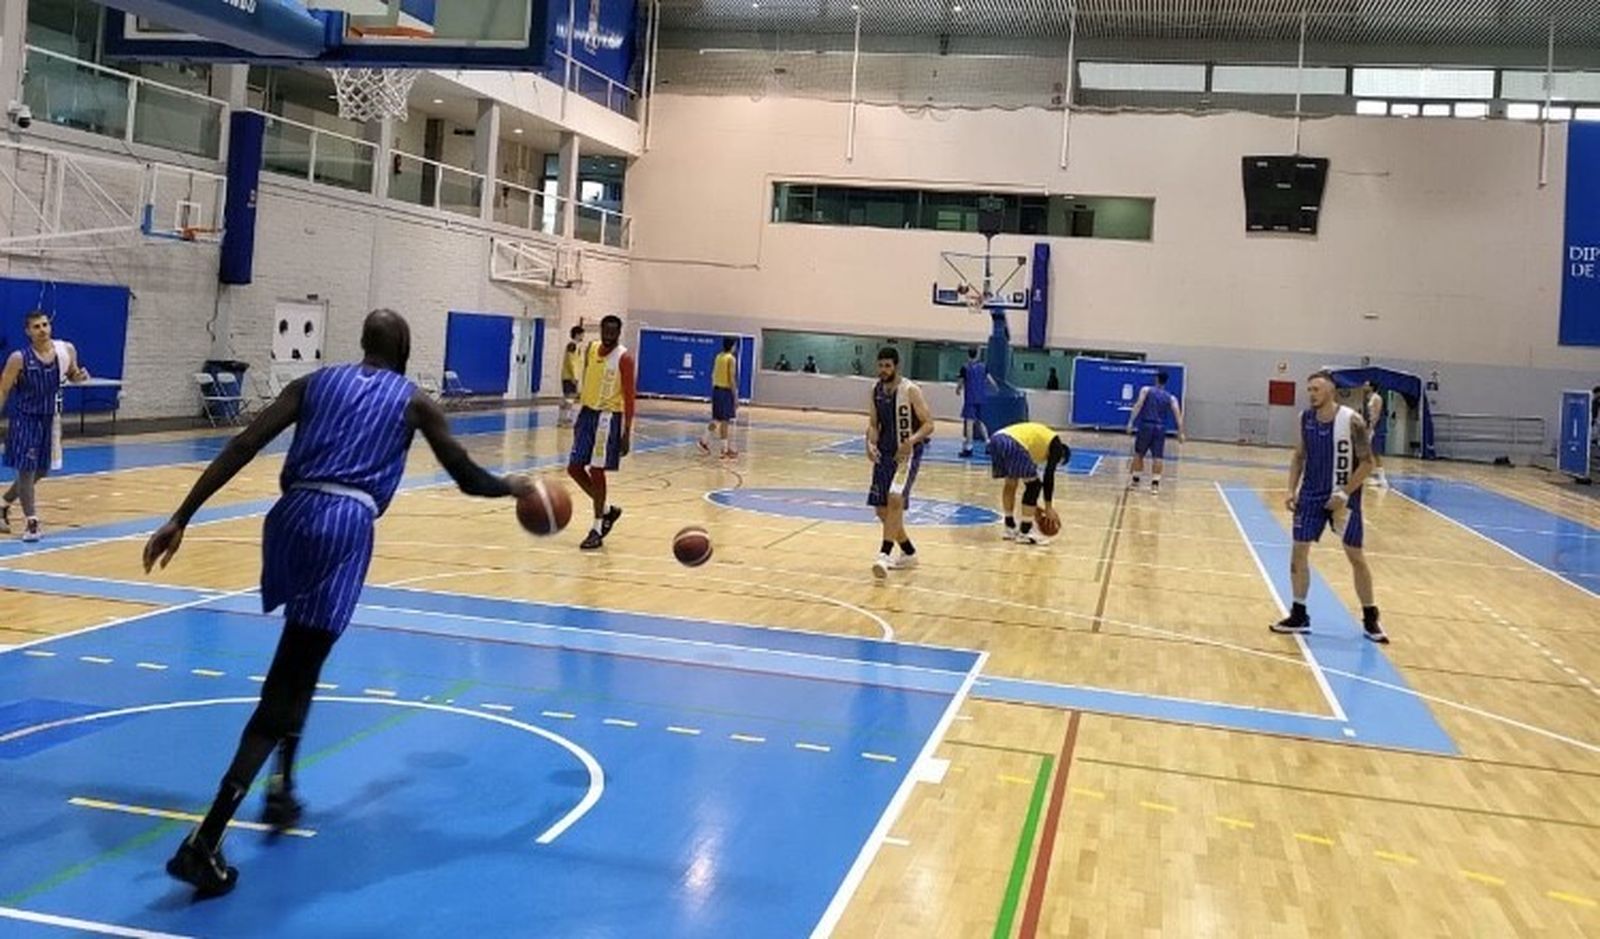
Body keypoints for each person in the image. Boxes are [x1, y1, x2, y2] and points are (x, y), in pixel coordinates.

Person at [143, 309, 533, 898]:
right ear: (405, 349)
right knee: (288, 681)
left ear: (362, 343)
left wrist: (182, 516)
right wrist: (514, 487)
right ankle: (207, 839)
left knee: (303, 659)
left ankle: (282, 786)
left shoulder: (314, 383)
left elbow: (246, 442)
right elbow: (466, 477)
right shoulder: (414, 400)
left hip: (290, 517)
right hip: (343, 524)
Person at [1272, 369, 1388, 644]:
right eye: (1309, 390)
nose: (1312, 394)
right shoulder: (1305, 419)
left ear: (1331, 391)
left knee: (1355, 555)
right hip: (1311, 495)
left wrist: (1345, 493)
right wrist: (1290, 490)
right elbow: (1299, 456)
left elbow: (1367, 463)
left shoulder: (1352, 420)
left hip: (1343, 497)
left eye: (1317, 389)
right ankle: (1299, 613)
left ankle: (1370, 617)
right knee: (1298, 552)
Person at [0, 310, 89, 542]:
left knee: (42, 470)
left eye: (45, 325)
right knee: (26, 470)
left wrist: (80, 376)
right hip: (25, 419)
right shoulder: (19, 358)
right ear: (28, 331)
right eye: (36, 327)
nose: (42, 330)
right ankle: (32, 523)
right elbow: (3, 389)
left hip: (49, 418)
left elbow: (72, 375)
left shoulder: (65, 352)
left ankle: (3, 503)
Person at [567, 314, 636, 550]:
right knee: (574, 468)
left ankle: (597, 528)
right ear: (601, 331)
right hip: (587, 413)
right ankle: (607, 510)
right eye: (605, 331)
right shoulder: (591, 349)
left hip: (608, 417)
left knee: (597, 470)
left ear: (618, 333)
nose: (608, 335)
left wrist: (627, 432)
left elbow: (630, 398)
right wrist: (579, 414)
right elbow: (588, 381)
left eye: (613, 332)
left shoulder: (624, 358)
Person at [865, 346, 933, 579]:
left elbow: (929, 424)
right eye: (880, 365)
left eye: (887, 366)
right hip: (884, 452)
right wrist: (869, 444)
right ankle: (908, 552)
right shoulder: (875, 390)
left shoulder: (910, 390)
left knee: (895, 498)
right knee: (882, 510)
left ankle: (883, 555)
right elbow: (873, 424)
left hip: (906, 454)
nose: (883, 370)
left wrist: (910, 441)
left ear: (896, 366)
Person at [989, 421, 1070, 545]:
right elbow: (1048, 476)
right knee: (1034, 486)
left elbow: (1025, 477)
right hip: (1013, 442)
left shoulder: (1037, 447)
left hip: (996, 440)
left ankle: (1009, 527)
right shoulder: (1056, 445)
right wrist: (1048, 507)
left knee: (1011, 482)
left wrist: (1034, 508)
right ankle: (1025, 532)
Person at [1126, 371, 1185, 493]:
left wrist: (1131, 422)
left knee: (1139, 454)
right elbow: (1178, 415)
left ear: (1156, 379)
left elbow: (1138, 405)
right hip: (1160, 428)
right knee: (1158, 457)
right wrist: (1180, 432)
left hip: (1146, 425)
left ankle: (1135, 481)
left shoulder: (1146, 390)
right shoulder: (1171, 397)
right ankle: (1155, 485)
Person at [700, 337, 739, 458]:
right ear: (732, 346)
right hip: (725, 391)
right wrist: (735, 395)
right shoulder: (731, 359)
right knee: (725, 421)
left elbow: (713, 374)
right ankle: (724, 450)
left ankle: (704, 441)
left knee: (716, 419)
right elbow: (731, 378)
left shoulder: (718, 356)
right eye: (735, 345)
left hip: (716, 389)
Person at [956, 348, 988, 458]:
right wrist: (995, 388)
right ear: (977, 355)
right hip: (981, 398)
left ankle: (969, 448)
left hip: (970, 399)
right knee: (980, 422)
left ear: (968, 355)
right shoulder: (983, 367)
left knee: (969, 423)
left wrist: (958, 389)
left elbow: (961, 382)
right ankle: (988, 443)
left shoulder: (965, 368)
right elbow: (989, 379)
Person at [558, 323, 585, 427]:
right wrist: (573, 376)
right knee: (570, 398)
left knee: (567, 398)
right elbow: (571, 361)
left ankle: (562, 419)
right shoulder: (572, 345)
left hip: (569, 376)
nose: (583, 336)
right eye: (582, 334)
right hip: (569, 376)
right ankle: (566, 419)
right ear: (577, 335)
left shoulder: (575, 346)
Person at [1365, 381, 1389, 488]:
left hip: (1377, 428)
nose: (1364, 386)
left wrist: (1371, 428)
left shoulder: (1377, 398)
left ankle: (1383, 480)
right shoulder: (1370, 397)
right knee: (1371, 453)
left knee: (1376, 453)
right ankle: (1377, 477)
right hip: (1372, 427)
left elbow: (1377, 415)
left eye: (1366, 384)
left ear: (1371, 386)